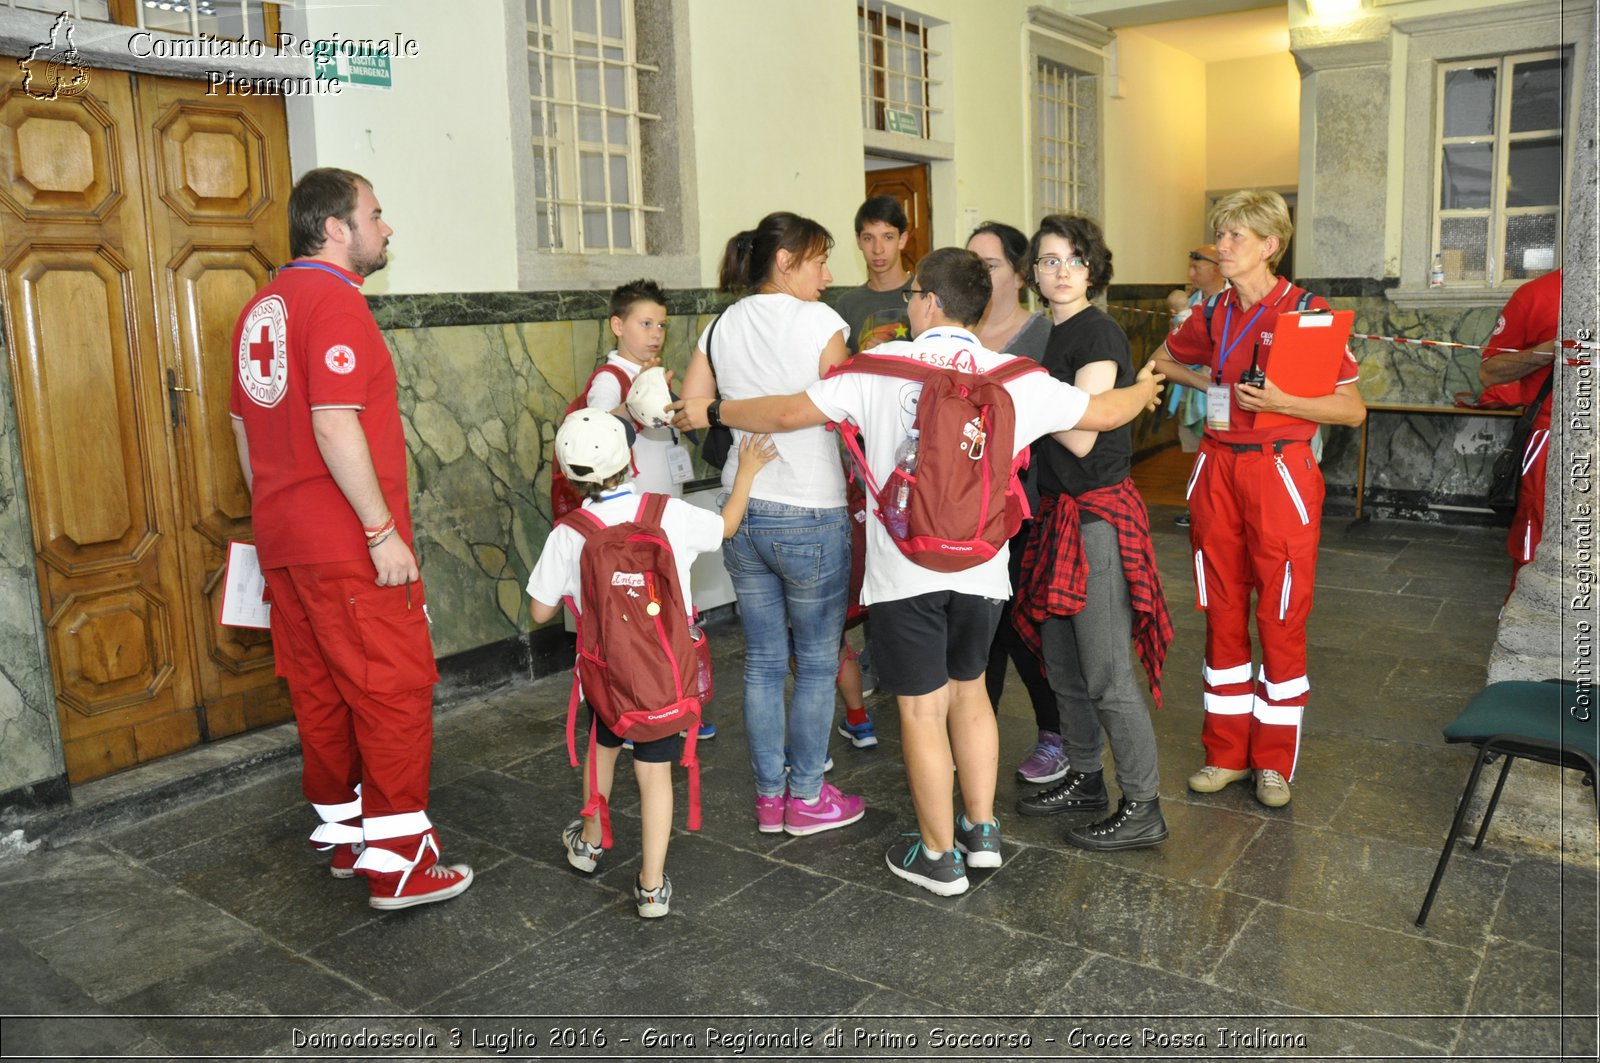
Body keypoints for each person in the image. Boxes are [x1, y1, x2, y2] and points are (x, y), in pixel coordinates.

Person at [669, 247, 1164, 896]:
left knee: (923, 713)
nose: (907, 305)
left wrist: (713, 412)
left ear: (929, 298)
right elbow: (1101, 413)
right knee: (970, 697)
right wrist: (1145, 387)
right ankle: (980, 832)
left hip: (906, 572)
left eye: (912, 296)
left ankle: (938, 854)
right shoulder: (1015, 373)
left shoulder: (878, 369)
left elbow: (789, 413)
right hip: (984, 568)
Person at [228, 167, 472, 911]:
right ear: (336, 227)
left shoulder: (260, 308)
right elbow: (335, 421)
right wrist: (379, 530)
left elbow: (244, 429)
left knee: (322, 693)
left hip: (285, 542)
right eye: (376, 213)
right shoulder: (334, 303)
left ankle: (346, 837)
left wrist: (277, 513)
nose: (386, 227)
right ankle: (399, 864)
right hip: (346, 543)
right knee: (392, 691)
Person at [1151, 189, 1366, 810]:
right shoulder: (1213, 311)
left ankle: (1273, 762)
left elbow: (1351, 410)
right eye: (1219, 236)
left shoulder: (1307, 312)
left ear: (1271, 246)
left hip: (1280, 474)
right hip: (1217, 468)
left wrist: (1280, 403)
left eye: (1235, 237)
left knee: (1279, 615)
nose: (1221, 247)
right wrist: (1214, 382)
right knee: (1221, 610)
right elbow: (1165, 359)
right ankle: (1224, 754)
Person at [527, 410, 776, 917]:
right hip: (664, 671)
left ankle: (591, 842)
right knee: (655, 775)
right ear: (632, 459)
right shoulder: (668, 513)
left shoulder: (570, 533)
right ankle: (651, 885)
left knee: (603, 749)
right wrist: (746, 471)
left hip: (606, 673)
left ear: (570, 475)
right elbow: (727, 526)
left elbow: (539, 609)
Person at [678, 211, 867, 837]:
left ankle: (768, 798)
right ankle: (807, 794)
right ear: (785, 261)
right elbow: (844, 405)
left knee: (761, 662)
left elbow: (693, 410)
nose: (829, 274)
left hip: (743, 504)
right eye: (819, 261)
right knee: (815, 662)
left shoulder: (720, 324)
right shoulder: (820, 322)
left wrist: (733, 410)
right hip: (810, 507)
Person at [1011, 214, 1174, 851]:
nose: (1059, 271)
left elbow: (1080, 434)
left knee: (1106, 672)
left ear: (1092, 268)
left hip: (1096, 517)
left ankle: (1143, 803)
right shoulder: (1052, 333)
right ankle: (1084, 776)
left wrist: (1023, 392)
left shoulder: (1097, 331)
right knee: (1063, 665)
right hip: (1057, 515)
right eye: (1048, 260)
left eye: (1072, 260)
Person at [965, 221, 1060, 783]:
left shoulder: (1042, 335)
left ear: (1021, 274)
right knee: (979, 629)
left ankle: (1054, 733)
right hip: (966, 508)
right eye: (972, 262)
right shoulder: (954, 332)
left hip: (1026, 505)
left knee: (1023, 625)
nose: (981, 273)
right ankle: (980, 737)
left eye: (992, 263)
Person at [1478, 268, 1561, 588]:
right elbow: (1490, 373)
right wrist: (1554, 347)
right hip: (1553, 433)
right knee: (1537, 539)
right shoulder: (1538, 294)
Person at [1169, 245, 1228, 528]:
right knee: (1195, 449)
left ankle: (1220, 510)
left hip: (1221, 393)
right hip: (1192, 386)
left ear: (1216, 267)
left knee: (1219, 449)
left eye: (1196, 268)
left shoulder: (1231, 300)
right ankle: (1197, 508)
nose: (1190, 274)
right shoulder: (1191, 300)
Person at [834, 195, 914, 353]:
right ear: (858, 241)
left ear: (902, 239)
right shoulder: (847, 305)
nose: (878, 249)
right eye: (868, 238)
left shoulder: (926, 294)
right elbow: (840, 370)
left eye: (888, 237)